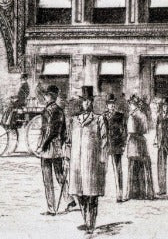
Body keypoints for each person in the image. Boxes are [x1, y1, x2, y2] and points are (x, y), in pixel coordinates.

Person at [65, 86, 108, 233]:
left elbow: (104, 141)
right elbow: (69, 141)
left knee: (92, 195)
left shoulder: (99, 119)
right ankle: (85, 219)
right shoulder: (74, 121)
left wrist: (103, 158)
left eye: (89, 101)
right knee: (79, 193)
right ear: (81, 103)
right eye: (84, 101)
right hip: (76, 163)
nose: (87, 104)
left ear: (92, 102)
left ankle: (91, 223)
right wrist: (67, 156)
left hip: (92, 162)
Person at [33, 85, 68, 214]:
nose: (45, 97)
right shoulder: (58, 110)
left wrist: (42, 145)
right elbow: (63, 132)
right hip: (56, 147)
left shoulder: (51, 110)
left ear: (51, 96)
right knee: (59, 175)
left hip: (48, 147)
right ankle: (69, 199)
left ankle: (51, 208)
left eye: (46, 95)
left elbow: (50, 131)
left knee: (48, 178)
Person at [125, 95, 155, 200]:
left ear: (133, 104)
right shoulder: (142, 114)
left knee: (133, 166)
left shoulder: (133, 115)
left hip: (134, 142)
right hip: (141, 142)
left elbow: (131, 131)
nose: (130, 106)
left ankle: (133, 193)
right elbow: (146, 129)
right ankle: (144, 192)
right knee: (142, 167)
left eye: (131, 104)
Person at [104, 94, 127, 201]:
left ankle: (119, 193)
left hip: (117, 145)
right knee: (103, 169)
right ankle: (102, 192)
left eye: (113, 104)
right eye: (109, 104)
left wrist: (123, 144)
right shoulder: (103, 116)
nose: (111, 106)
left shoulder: (120, 116)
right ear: (107, 105)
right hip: (105, 146)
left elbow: (124, 131)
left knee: (118, 170)